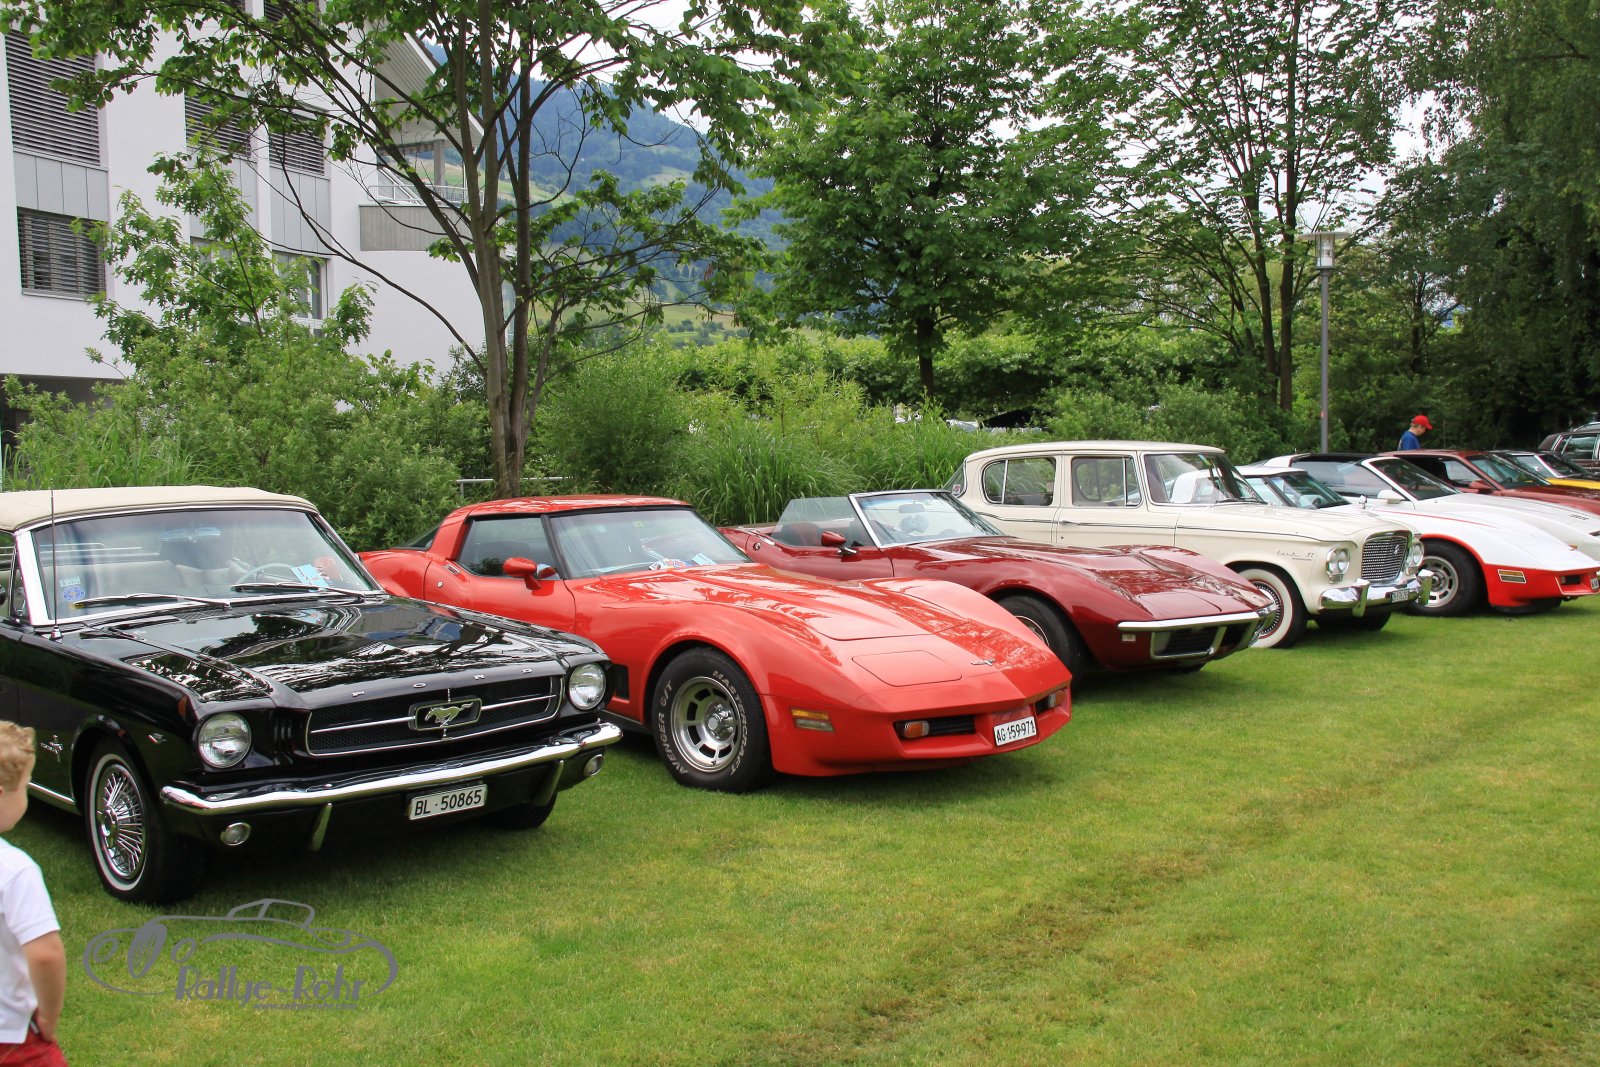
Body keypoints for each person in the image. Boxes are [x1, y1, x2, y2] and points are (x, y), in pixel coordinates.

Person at [0, 722, 67, 1066]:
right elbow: (45, 954)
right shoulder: (15, 870)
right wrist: (48, 1018)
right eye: (25, 786)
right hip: (11, 1037)